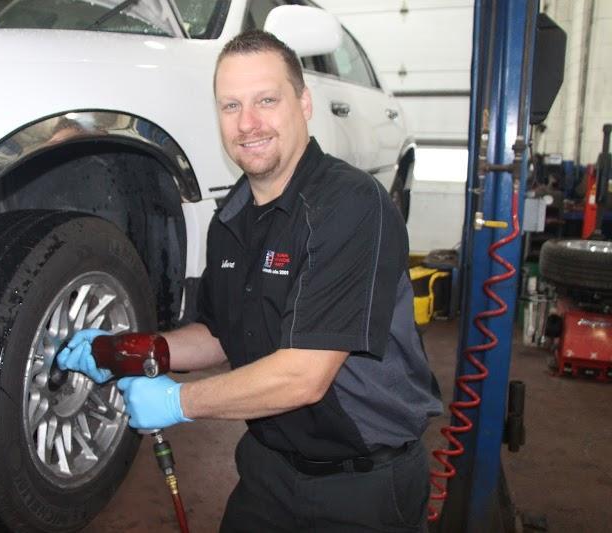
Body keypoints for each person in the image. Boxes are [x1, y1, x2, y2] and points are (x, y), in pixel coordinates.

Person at [58, 30, 443, 532]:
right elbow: (220, 334)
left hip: (363, 484)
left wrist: (178, 402)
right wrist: (131, 349)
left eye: (266, 100)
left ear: (303, 103)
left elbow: (304, 376)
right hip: (268, 471)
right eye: (231, 106)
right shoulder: (231, 219)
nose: (247, 123)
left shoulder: (350, 205)